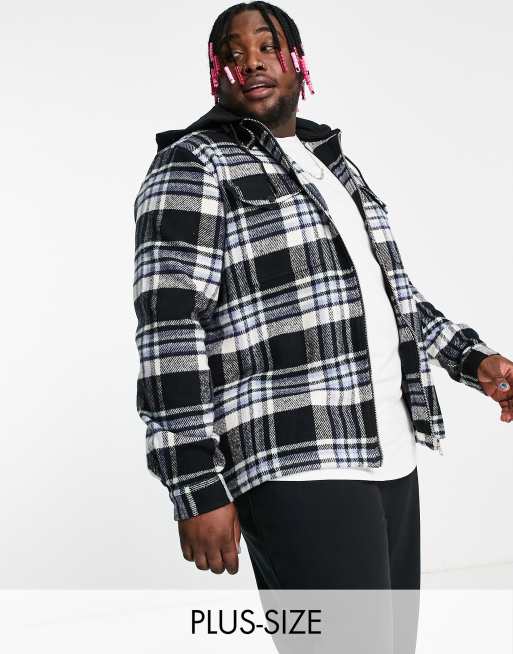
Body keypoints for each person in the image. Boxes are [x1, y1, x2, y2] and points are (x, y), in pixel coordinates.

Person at [132, 2, 512, 593]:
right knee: (342, 637)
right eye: (233, 54)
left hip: (389, 453)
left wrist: (474, 360)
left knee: (388, 638)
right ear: (216, 74)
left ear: (298, 62)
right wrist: (196, 485)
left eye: (268, 46)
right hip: (293, 462)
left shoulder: (332, 163)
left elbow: (389, 293)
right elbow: (170, 330)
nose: (252, 62)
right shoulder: (193, 164)